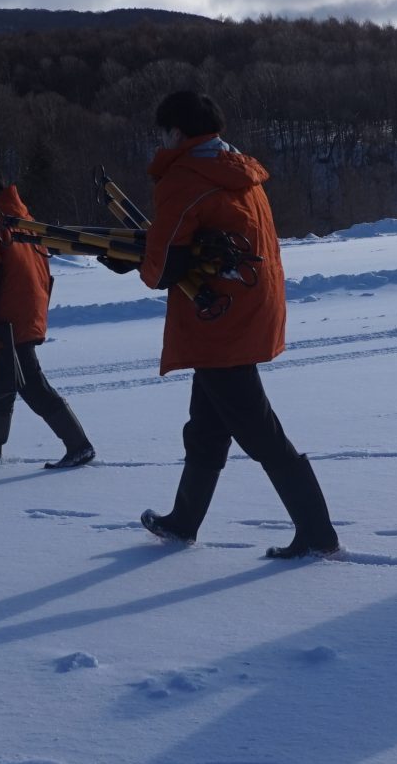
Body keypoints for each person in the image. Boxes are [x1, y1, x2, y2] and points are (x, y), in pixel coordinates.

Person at [132, 91, 341, 560]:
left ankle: (317, 533)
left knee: (262, 435)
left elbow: (162, 265)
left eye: (165, 132)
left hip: (218, 323)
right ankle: (184, 520)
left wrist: (137, 262)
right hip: (247, 309)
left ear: (179, 134)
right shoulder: (239, 169)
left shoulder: (185, 177)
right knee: (206, 429)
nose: (163, 141)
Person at [0, 164, 98, 470]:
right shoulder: (23, 217)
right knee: (1, 380)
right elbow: (44, 270)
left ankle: (79, 445)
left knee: (30, 383)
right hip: (28, 308)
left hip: (9, 316)